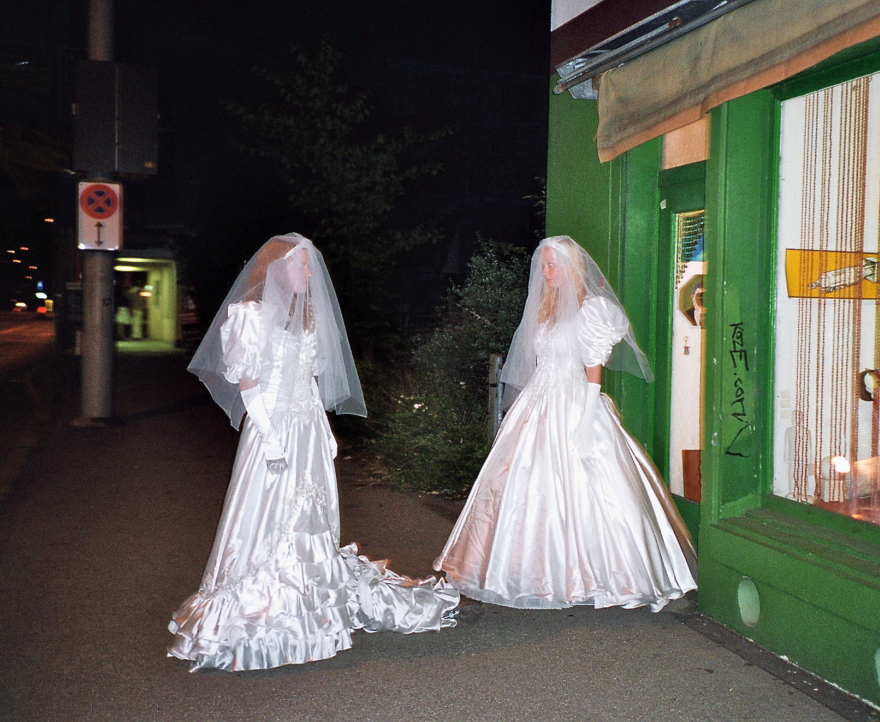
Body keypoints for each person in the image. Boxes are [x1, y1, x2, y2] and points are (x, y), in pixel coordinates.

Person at [169, 234, 458, 672]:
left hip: (306, 431)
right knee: (266, 518)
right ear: (279, 270)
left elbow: (311, 380)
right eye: (302, 266)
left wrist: (323, 430)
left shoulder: (308, 319)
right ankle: (265, 612)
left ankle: (311, 606)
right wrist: (270, 437)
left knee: (311, 516)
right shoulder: (249, 317)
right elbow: (248, 386)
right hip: (272, 427)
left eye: (309, 266)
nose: (309, 274)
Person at [434, 235, 697, 612]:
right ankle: (529, 573)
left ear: (571, 266)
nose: (545, 272)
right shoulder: (548, 307)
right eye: (543, 265)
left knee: (589, 490)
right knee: (523, 490)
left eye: (552, 264)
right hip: (539, 404)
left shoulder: (592, 310)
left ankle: (603, 576)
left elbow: (593, 372)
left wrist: (588, 421)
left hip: (574, 402)